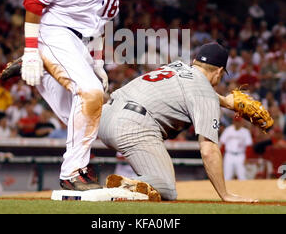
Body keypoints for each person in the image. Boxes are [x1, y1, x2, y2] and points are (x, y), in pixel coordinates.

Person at [18, 0, 142, 191]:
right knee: (90, 93)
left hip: (82, 43)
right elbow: (33, 5)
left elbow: (100, 23)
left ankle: (50, 70)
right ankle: (72, 172)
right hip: (55, 31)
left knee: (87, 111)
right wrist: (30, 50)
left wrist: (97, 61)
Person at [98, 42, 258, 202]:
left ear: (195, 62)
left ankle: (77, 177)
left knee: (154, 180)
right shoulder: (205, 93)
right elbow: (208, 150)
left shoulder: (176, 66)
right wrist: (225, 194)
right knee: (166, 188)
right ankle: (117, 190)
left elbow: (192, 90)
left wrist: (225, 102)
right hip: (131, 126)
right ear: (219, 71)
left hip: (105, 114)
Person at [219, 114, 253, 180]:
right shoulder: (228, 130)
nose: (237, 123)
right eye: (236, 121)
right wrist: (221, 157)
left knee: (242, 177)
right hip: (229, 155)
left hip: (240, 155)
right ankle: (227, 190)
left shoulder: (245, 132)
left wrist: (247, 158)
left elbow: (249, 146)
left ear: (241, 122)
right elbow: (222, 144)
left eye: (238, 121)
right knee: (227, 177)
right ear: (233, 122)